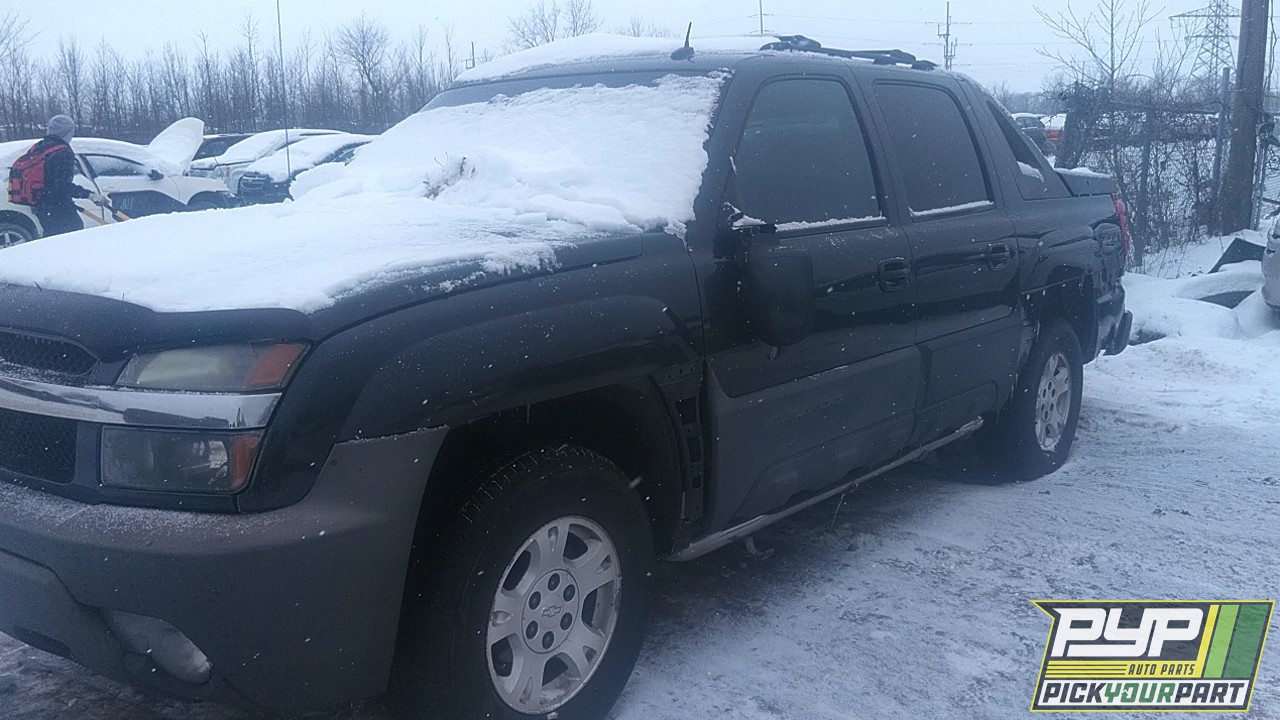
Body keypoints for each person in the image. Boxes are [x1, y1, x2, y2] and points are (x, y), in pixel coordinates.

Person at [27, 115, 106, 237]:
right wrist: (90, 195)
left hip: (39, 205)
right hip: (58, 207)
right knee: (72, 236)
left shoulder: (38, 147)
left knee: (52, 237)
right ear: (68, 133)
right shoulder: (63, 152)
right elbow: (62, 186)